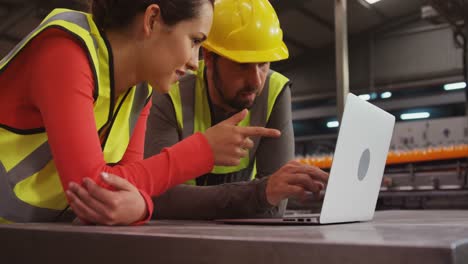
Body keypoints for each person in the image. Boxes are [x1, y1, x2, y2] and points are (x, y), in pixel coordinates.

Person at [0, 0, 284, 225]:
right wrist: (202, 151)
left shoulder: (140, 92)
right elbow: (91, 188)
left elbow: (127, 186)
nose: (195, 62)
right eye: (194, 41)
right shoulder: (65, 51)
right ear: (151, 20)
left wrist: (142, 206)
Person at [67, 0, 329, 223]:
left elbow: (275, 204)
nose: (257, 81)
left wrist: (149, 204)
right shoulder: (166, 89)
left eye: (263, 64)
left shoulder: (275, 91)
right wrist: (257, 193)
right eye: (242, 65)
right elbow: (156, 196)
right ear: (211, 59)